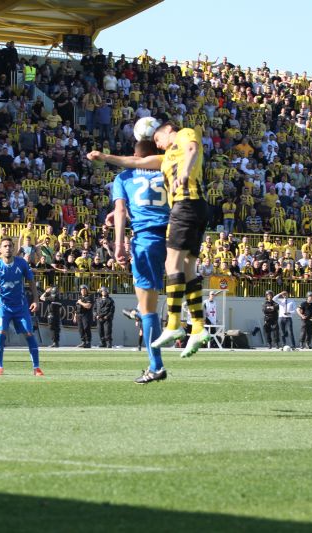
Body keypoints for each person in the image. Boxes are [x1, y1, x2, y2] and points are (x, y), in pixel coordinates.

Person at [88, 120, 211, 358]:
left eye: (158, 139)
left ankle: (167, 339)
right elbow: (138, 163)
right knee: (188, 269)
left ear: (167, 131)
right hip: (189, 214)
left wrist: (120, 243)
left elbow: (191, 149)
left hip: (157, 229)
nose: (159, 144)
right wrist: (105, 156)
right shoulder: (165, 161)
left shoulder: (181, 139)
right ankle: (197, 326)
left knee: (153, 297)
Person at [109, 139, 170, 382]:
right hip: (174, 236)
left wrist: (118, 245)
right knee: (154, 301)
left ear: (135, 154)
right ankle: (140, 313)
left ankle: (156, 366)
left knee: (148, 308)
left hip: (147, 240)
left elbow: (121, 210)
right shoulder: (168, 168)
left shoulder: (124, 177)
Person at [0, 236, 42, 376]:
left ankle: (36, 368)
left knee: (29, 333)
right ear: (0, 249)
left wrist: (36, 300)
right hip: (3, 306)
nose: (8, 248)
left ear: (13, 248)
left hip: (21, 306)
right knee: (0, 334)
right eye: (5, 246)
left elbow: (31, 281)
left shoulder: (21, 263)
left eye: (10, 246)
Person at [75, 284, 93, 348]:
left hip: (86, 315)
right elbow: (76, 308)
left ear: (87, 291)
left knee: (86, 328)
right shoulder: (79, 298)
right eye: (82, 290)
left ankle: (88, 342)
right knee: (80, 329)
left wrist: (80, 302)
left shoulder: (89, 297)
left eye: (84, 290)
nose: (83, 291)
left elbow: (88, 306)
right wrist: (75, 316)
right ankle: (83, 342)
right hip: (79, 315)